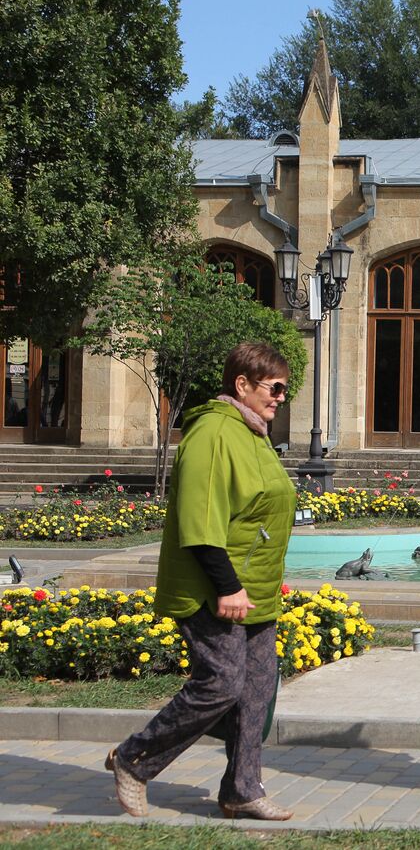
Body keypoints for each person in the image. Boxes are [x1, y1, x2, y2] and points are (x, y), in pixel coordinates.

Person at [107, 342, 297, 820]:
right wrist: (227, 586)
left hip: (255, 586)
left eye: (284, 391)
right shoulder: (214, 431)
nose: (279, 398)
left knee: (256, 690)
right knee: (222, 684)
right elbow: (201, 519)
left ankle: (241, 790)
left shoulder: (252, 433)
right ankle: (134, 758)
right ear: (243, 384)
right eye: (274, 389)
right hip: (214, 587)